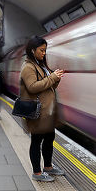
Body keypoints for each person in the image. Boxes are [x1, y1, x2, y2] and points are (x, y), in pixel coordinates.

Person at [18, 35, 66, 182]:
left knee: (49, 139)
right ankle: (37, 173)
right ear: (33, 50)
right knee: (36, 141)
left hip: (47, 111)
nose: (44, 53)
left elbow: (47, 85)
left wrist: (55, 79)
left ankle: (48, 167)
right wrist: (51, 77)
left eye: (45, 50)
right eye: (41, 50)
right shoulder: (28, 67)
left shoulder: (41, 65)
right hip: (37, 112)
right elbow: (32, 88)